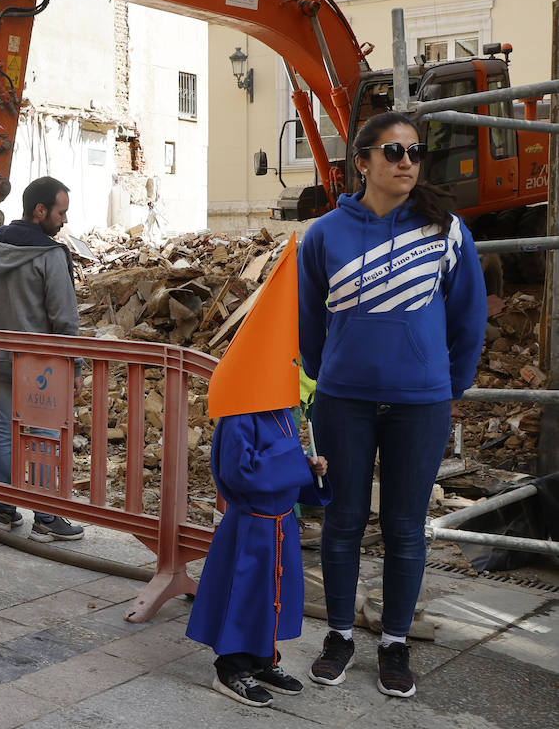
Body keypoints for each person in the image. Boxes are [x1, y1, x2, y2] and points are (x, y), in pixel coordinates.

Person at [299, 111, 486, 698]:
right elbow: (308, 323)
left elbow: (469, 316)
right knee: (343, 523)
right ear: (363, 162)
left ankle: (395, 643)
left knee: (406, 529)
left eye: (414, 152)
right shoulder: (324, 233)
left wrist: (447, 386)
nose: (407, 162)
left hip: (420, 405)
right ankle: (338, 635)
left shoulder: (445, 229)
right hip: (343, 402)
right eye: (393, 151)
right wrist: (325, 374)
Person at [187, 237, 331, 707]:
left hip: (280, 523)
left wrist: (310, 469)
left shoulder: (282, 412)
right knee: (245, 594)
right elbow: (240, 472)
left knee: (274, 594)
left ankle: (263, 661)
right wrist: (294, 463)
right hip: (250, 525)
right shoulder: (239, 414)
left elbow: (284, 462)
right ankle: (231, 669)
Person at [0, 175, 85, 543]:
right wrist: (76, 367)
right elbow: (64, 317)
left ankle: (4, 510)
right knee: (44, 435)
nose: (64, 220)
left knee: (4, 432)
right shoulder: (50, 255)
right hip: (41, 367)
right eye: (60, 212)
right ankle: (46, 518)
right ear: (40, 210)